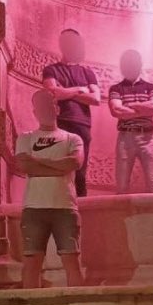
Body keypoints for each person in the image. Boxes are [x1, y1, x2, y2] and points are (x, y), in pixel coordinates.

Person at [15, 89, 85, 289]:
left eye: (49, 103)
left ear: (57, 108)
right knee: (31, 263)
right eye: (40, 105)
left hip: (65, 206)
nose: (45, 108)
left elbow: (74, 163)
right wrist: (57, 167)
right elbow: (24, 166)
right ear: (35, 111)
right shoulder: (25, 138)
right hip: (34, 207)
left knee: (72, 262)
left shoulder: (73, 138)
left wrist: (38, 161)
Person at [42, 28, 100, 197]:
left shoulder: (88, 72)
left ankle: (83, 215)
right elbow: (52, 93)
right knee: (59, 171)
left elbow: (96, 98)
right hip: (60, 123)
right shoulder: (51, 70)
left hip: (82, 126)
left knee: (80, 174)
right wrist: (79, 91)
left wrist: (65, 92)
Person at [108, 49, 153, 194]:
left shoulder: (151, 87)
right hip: (125, 138)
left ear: (139, 64)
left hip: (148, 137)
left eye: (133, 62)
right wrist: (142, 109)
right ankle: (121, 217)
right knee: (122, 185)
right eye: (126, 63)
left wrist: (129, 106)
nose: (130, 65)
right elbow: (116, 111)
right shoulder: (116, 88)